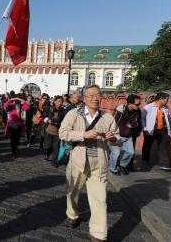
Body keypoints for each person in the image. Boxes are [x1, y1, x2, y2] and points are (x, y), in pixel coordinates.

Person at [59, 85, 120, 242]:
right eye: (91, 95)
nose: (95, 98)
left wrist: (112, 138)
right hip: (78, 160)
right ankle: (72, 214)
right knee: (73, 192)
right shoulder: (74, 114)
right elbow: (63, 133)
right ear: (84, 98)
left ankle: (98, 233)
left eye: (98, 95)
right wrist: (83, 134)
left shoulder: (107, 117)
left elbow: (118, 137)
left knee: (100, 198)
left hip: (99, 162)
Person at [108, 94, 141, 175]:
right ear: (130, 104)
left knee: (131, 153)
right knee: (116, 154)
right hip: (116, 135)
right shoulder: (120, 110)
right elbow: (112, 122)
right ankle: (113, 169)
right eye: (137, 104)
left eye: (139, 104)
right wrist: (112, 134)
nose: (138, 106)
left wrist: (133, 126)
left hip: (128, 135)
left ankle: (122, 165)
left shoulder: (137, 111)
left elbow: (137, 122)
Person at [141, 92, 171, 171]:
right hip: (150, 130)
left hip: (162, 130)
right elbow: (142, 118)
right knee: (147, 145)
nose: (167, 101)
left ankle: (164, 164)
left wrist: (168, 132)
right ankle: (145, 159)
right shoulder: (149, 107)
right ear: (161, 99)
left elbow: (167, 119)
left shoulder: (166, 108)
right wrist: (145, 129)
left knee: (163, 147)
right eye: (166, 99)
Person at [42, 95, 66, 166]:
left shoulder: (63, 111)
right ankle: (47, 154)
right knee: (48, 146)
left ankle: (54, 161)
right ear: (55, 101)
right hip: (48, 131)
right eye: (58, 101)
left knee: (56, 148)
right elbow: (44, 116)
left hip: (57, 132)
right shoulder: (49, 109)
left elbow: (63, 121)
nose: (60, 103)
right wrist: (47, 120)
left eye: (61, 102)